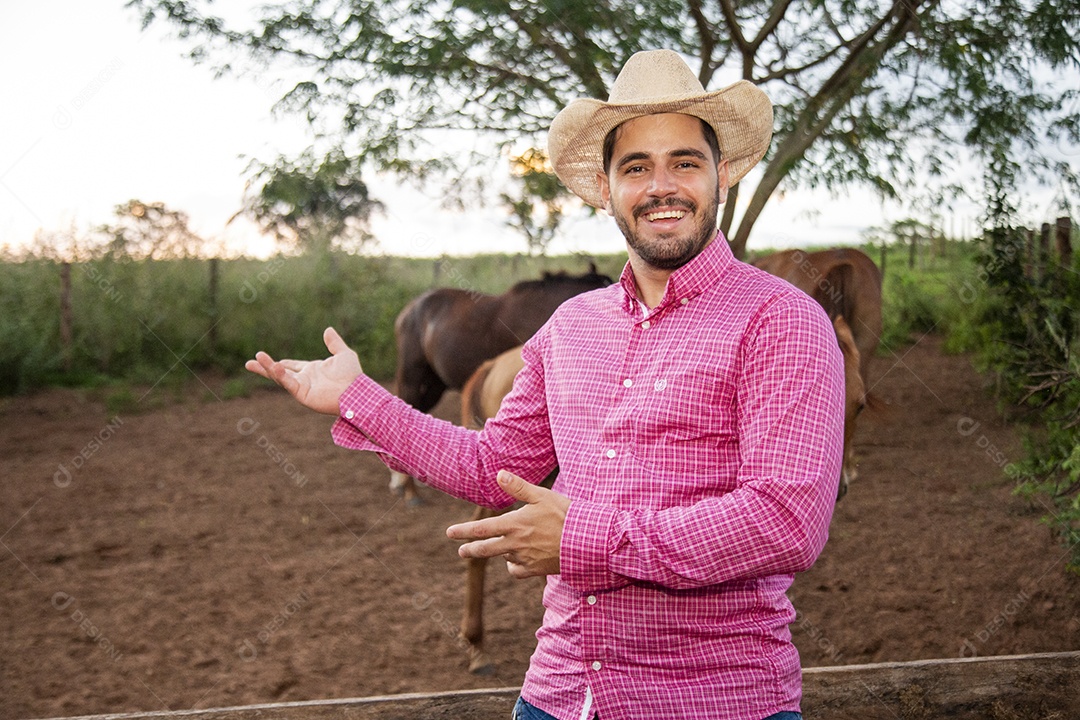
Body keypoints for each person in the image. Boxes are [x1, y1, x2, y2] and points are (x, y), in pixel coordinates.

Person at [247, 49, 844, 720]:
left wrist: (584, 539)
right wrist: (361, 398)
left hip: (713, 699)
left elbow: (785, 520)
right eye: (635, 168)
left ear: (722, 174)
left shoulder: (781, 319)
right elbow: (493, 465)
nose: (661, 186)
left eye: (685, 162)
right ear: (605, 188)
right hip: (559, 695)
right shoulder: (570, 327)